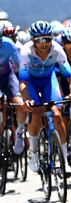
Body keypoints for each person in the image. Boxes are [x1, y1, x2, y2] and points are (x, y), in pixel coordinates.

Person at [19, 20, 71, 175]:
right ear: (33, 41)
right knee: (37, 112)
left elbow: (70, 78)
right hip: (31, 82)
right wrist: (27, 99)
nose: (44, 43)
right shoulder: (26, 52)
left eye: (47, 39)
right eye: (40, 40)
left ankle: (65, 162)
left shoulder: (57, 50)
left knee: (57, 114)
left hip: (48, 80)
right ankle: (33, 151)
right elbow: (24, 82)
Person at [0, 24, 27, 155]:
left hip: (8, 77)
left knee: (20, 105)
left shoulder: (8, 44)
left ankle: (20, 131)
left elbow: (20, 65)